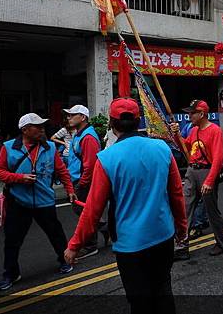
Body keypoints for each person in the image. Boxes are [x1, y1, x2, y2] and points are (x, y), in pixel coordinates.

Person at [65, 98, 187, 314]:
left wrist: (75, 245)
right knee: (163, 291)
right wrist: (181, 228)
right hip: (163, 236)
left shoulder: (107, 158)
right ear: (138, 120)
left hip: (130, 244)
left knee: (140, 301)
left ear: (112, 124)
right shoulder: (161, 148)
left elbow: (93, 209)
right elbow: (176, 194)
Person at [0, 113, 77, 291]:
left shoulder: (50, 148)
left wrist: (70, 190)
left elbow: (61, 171)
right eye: (37, 126)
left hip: (44, 200)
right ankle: (10, 273)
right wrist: (19, 178)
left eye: (42, 126)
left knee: (56, 234)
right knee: (12, 240)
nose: (42, 129)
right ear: (24, 130)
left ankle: (64, 260)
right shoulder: (9, 148)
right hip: (18, 202)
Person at [171, 100, 223, 258]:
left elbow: (218, 159)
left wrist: (209, 181)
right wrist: (176, 134)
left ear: (202, 114)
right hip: (191, 171)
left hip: (206, 172)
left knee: (211, 210)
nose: (189, 115)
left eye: (192, 113)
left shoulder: (215, 131)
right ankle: (182, 246)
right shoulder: (193, 130)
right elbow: (185, 147)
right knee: (185, 208)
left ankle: (221, 242)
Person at [64, 104, 102, 259]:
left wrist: (80, 185)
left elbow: (90, 166)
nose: (69, 117)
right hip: (76, 179)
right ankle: (104, 228)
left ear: (83, 117)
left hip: (83, 181)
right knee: (82, 211)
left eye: (72, 115)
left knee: (84, 213)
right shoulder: (78, 134)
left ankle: (90, 245)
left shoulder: (88, 137)